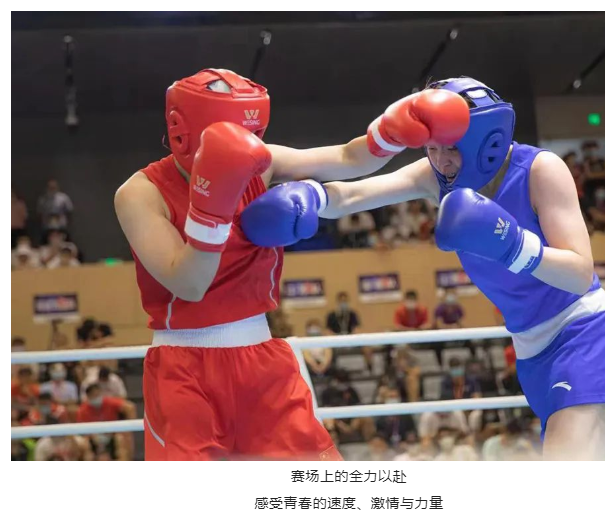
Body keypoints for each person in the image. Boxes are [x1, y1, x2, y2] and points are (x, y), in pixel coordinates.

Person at [243, 76, 605, 460]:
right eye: (432, 148)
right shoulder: (435, 176)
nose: (441, 161)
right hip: (530, 345)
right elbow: (354, 196)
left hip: (581, 331)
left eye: (451, 148)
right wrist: (310, 197)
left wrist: (512, 244)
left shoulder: (540, 170)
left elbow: (580, 273)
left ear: (486, 140)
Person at [115, 67, 467, 460]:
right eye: (237, 133)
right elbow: (190, 283)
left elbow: (348, 157)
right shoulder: (140, 194)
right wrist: (211, 208)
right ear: (185, 130)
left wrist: (391, 132)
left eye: (252, 132)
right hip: (183, 368)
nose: (248, 142)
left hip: (261, 357)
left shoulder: (261, 161)